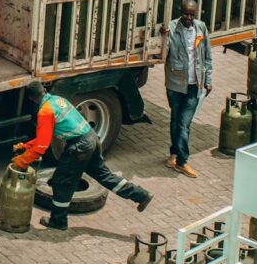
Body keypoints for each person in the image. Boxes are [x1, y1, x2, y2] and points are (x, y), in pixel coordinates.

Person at [13, 81, 153, 230]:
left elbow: (41, 147)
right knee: (103, 175)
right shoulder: (58, 100)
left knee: (61, 182)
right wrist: (26, 146)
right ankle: (141, 195)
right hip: (91, 138)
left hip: (79, 147)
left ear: (31, 99)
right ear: (44, 90)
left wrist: (21, 162)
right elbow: (46, 136)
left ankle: (58, 221)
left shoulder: (45, 112)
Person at [161, 0, 213, 179]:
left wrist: (208, 80)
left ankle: (182, 161)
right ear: (180, 11)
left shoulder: (201, 28)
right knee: (176, 120)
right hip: (175, 84)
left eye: (192, 15)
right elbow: (163, 52)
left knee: (184, 124)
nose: (189, 18)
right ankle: (173, 154)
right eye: (186, 14)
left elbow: (207, 57)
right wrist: (162, 37)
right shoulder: (171, 28)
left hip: (194, 85)